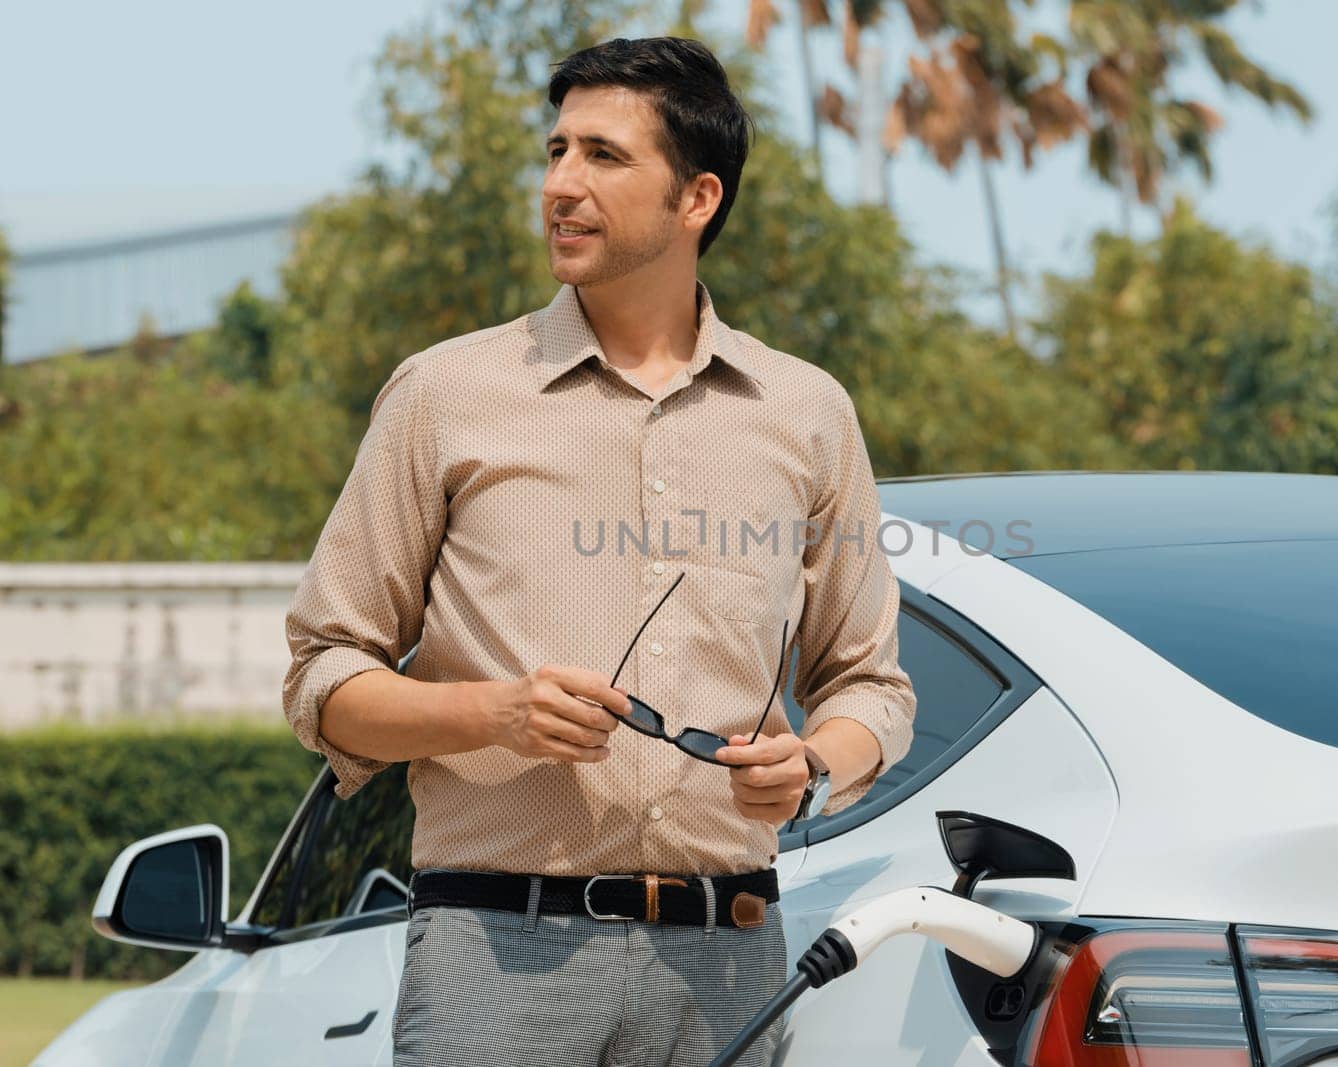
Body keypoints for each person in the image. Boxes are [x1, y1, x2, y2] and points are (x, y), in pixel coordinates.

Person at [281, 35, 915, 1067]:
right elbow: (323, 678)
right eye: (556, 150)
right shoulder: (443, 395)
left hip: (731, 955)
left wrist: (809, 761)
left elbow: (870, 687)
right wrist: (494, 710)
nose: (560, 185)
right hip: (497, 947)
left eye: (603, 157)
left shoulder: (806, 413)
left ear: (696, 198)